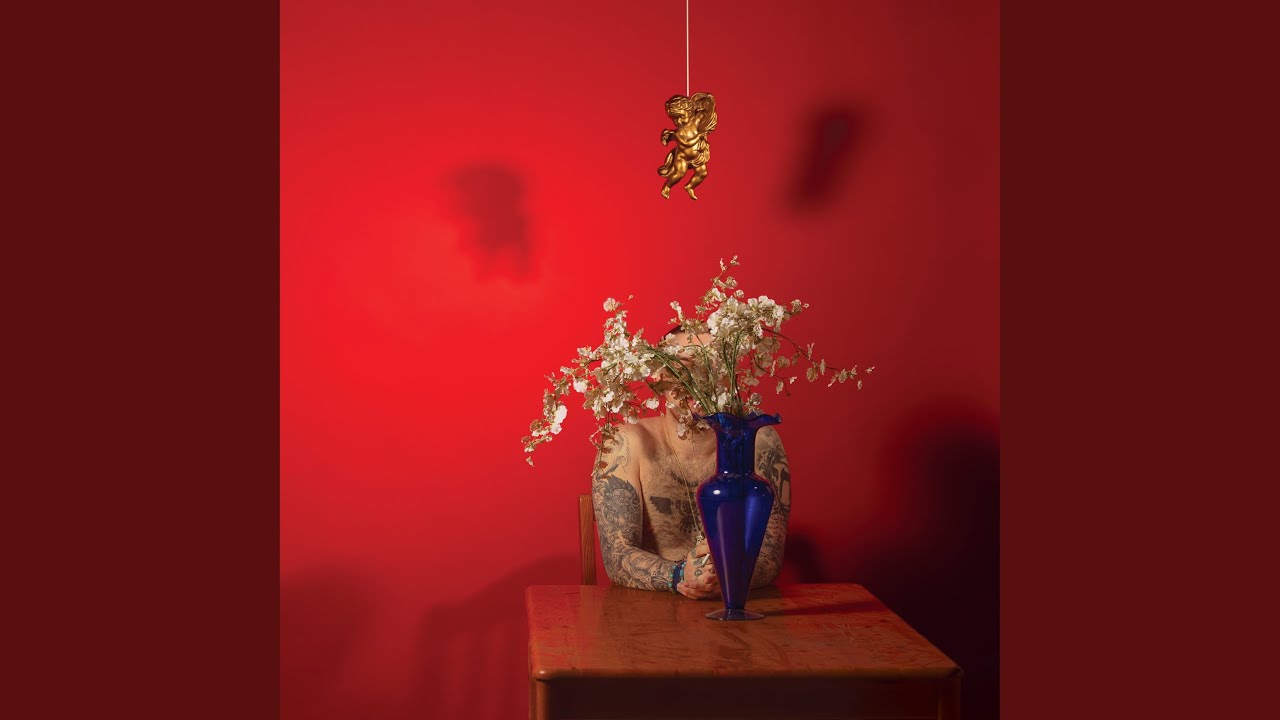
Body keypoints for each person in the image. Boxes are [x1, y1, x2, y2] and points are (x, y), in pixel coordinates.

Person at [591, 330, 792, 600]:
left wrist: (727, 575)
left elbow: (770, 554)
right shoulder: (626, 444)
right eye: (685, 367)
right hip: (650, 609)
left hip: (737, 604)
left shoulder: (758, 441)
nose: (700, 379)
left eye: (713, 366)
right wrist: (680, 576)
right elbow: (618, 555)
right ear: (659, 377)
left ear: (730, 377)